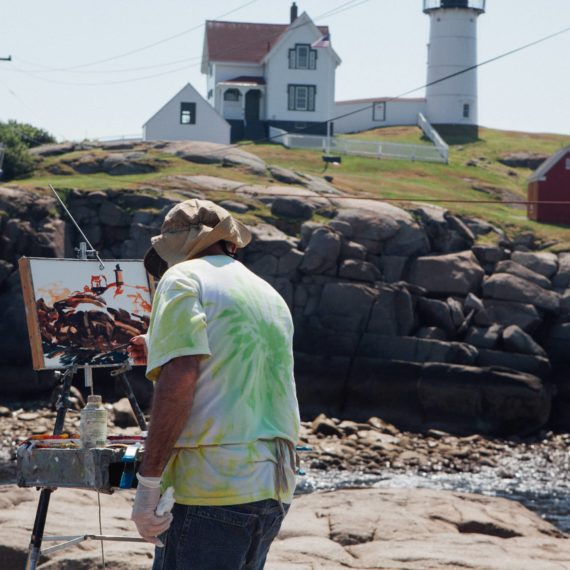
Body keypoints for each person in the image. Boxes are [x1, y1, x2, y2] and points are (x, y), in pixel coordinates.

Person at [128, 199, 300, 570]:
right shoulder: (267, 293)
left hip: (211, 488)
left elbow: (180, 376)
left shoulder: (183, 278)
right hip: (274, 486)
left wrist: (148, 482)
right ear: (231, 244)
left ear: (176, 249)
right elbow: (235, 362)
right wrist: (159, 344)